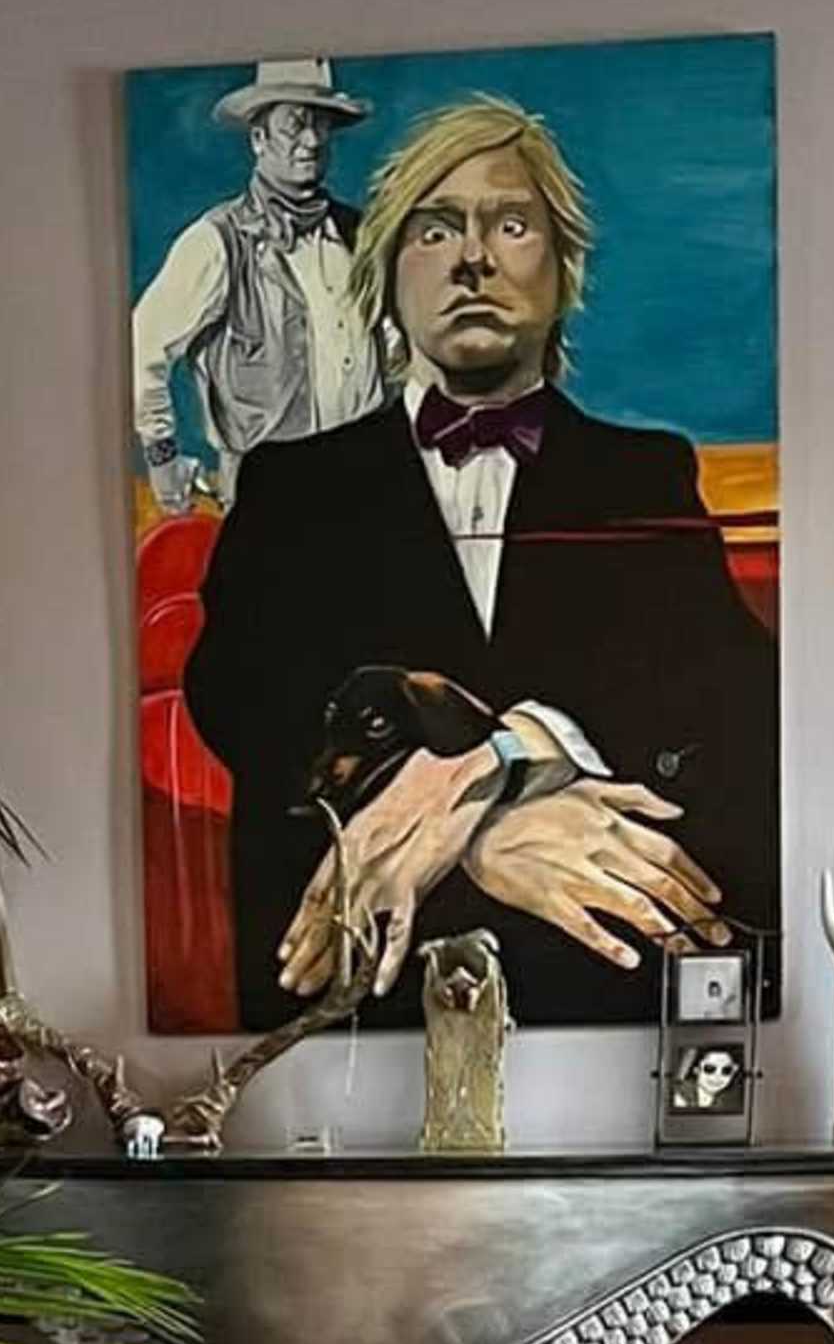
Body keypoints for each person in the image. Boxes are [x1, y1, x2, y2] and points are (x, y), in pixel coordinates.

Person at [178, 92, 779, 1030]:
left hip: (596, 1009)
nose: (473, 257)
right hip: (356, 1020)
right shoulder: (293, 489)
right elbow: (249, 707)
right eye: (435, 230)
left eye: (510, 224)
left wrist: (494, 761)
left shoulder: (645, 476)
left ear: (563, 268)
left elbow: (719, 712)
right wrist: (487, 830)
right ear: (384, 272)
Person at [127, 64, 380, 502]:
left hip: (368, 487)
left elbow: (399, 356)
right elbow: (142, 348)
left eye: (322, 126)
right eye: (296, 126)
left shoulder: (362, 236)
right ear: (258, 139)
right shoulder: (216, 242)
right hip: (267, 501)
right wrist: (164, 463)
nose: (313, 141)